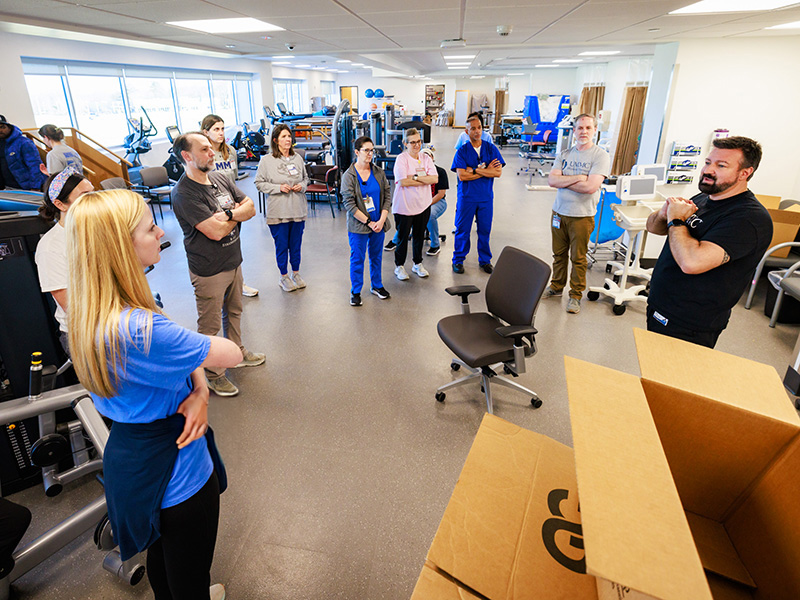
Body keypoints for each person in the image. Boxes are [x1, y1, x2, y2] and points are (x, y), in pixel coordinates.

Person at [65, 188, 242, 600]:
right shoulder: (141, 329)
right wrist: (200, 374)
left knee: (164, 559)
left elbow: (185, 356)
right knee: (188, 570)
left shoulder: (93, 312)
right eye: (149, 228)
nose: (159, 231)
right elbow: (228, 353)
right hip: (177, 472)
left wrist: (199, 388)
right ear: (121, 248)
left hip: (133, 456)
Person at [646, 136, 772, 348]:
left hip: (690, 322)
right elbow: (653, 228)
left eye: (721, 165)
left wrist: (676, 220)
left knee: (673, 378)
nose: (708, 170)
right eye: (708, 162)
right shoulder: (704, 198)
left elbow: (691, 263)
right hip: (661, 304)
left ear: (745, 173)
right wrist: (663, 214)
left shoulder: (749, 219)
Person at [171, 132, 265, 398]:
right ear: (187, 157)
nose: (212, 152)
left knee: (234, 312)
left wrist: (227, 215)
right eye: (204, 149)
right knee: (210, 326)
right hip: (209, 270)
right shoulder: (184, 194)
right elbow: (215, 232)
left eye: (211, 148)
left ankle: (237, 351)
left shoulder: (220, 178)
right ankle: (213, 374)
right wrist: (236, 216)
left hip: (233, 260)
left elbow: (250, 207)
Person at [542, 113, 609, 314]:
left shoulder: (600, 156)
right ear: (574, 131)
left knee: (578, 258)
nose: (584, 132)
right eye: (580, 128)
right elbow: (552, 181)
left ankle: (575, 295)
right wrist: (580, 177)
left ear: (595, 130)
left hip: (582, 216)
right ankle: (556, 286)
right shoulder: (564, 154)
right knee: (558, 254)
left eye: (588, 128)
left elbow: (590, 187)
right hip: (559, 213)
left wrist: (566, 179)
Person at [34, 167, 94, 355]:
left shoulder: (97, 230)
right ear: (60, 204)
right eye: (85, 195)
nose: (94, 200)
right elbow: (72, 307)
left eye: (93, 192)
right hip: (86, 334)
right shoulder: (50, 247)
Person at [201, 114, 259, 298]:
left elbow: (232, 180)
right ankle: (219, 286)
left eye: (222, 128)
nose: (220, 133)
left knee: (234, 245)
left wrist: (236, 204)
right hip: (211, 208)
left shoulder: (231, 151)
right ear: (205, 132)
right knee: (216, 248)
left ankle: (238, 284)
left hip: (232, 206)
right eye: (216, 129)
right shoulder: (203, 154)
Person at [254, 124, 310, 292]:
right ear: (275, 140)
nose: (288, 139)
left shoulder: (297, 158)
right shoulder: (266, 161)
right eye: (284, 136)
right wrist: (278, 188)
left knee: (296, 244)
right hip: (278, 211)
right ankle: (283, 276)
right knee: (282, 245)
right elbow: (259, 183)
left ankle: (296, 273)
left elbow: (306, 178)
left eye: (289, 136)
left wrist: (302, 185)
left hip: (297, 210)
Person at [450, 112, 505, 275]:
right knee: (462, 229)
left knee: (485, 230)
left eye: (479, 127)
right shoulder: (462, 151)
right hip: (467, 197)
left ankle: (485, 260)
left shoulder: (491, 149)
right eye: (473, 128)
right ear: (466, 132)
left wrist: (473, 170)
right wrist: (483, 170)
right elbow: (462, 176)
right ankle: (458, 260)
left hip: (485, 198)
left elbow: (498, 173)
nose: (477, 131)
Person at [341, 135, 392, 306]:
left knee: (376, 256)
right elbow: (349, 204)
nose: (370, 154)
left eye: (372, 150)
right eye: (366, 150)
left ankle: (376, 285)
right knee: (357, 258)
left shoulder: (378, 172)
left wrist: (382, 218)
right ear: (357, 152)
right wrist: (369, 222)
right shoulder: (349, 176)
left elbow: (387, 195)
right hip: (359, 226)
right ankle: (355, 291)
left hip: (379, 223)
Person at [383, 147, 449, 257]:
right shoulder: (414, 171)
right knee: (407, 216)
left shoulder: (440, 172)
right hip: (419, 200)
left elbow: (441, 194)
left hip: (437, 202)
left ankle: (435, 245)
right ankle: (396, 241)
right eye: (424, 156)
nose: (427, 158)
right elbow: (404, 182)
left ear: (432, 158)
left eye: (429, 156)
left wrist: (426, 203)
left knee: (430, 214)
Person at [391, 128, 437, 281]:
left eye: (418, 141)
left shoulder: (426, 158)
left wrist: (414, 177)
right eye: (412, 142)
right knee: (403, 238)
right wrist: (423, 177)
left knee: (419, 235)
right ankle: (399, 266)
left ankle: (417, 263)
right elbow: (403, 181)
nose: (416, 145)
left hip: (422, 205)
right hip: (404, 206)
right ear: (405, 143)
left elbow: (434, 179)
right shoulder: (401, 159)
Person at [0, 114, 46, 191]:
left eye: (2, 127)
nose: (0, 130)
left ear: (9, 127)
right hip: (7, 188)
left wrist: (35, 186)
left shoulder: (24, 142)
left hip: (26, 187)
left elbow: (35, 165)